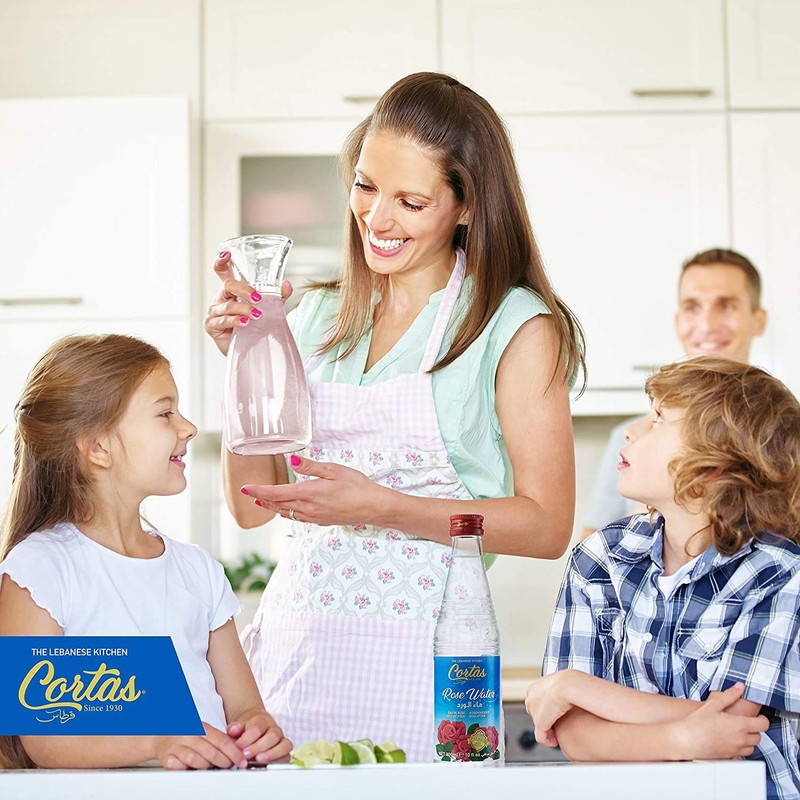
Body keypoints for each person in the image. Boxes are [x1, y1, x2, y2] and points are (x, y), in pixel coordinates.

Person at [203, 71, 585, 760]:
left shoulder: (514, 326)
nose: (377, 219)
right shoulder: (314, 315)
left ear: (466, 206)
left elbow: (546, 525)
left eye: (411, 202)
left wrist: (382, 507)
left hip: (431, 663)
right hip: (297, 658)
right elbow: (252, 506)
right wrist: (247, 361)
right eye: (365, 186)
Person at [0, 334, 291, 770]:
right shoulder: (40, 569)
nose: (188, 427)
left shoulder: (197, 570)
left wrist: (257, 727)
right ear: (98, 447)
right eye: (164, 413)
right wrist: (157, 741)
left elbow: (244, 708)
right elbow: (44, 735)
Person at [527, 356, 800, 800]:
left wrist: (573, 686)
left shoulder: (780, 574)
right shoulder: (600, 559)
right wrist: (682, 738)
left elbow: (733, 725)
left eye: (657, 419)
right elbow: (573, 733)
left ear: (714, 463)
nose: (631, 431)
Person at [581, 247, 768, 538]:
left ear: (759, 320)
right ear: (678, 321)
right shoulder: (628, 439)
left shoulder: (784, 436)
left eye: (727, 306)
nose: (707, 325)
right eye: (692, 307)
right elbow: (591, 548)